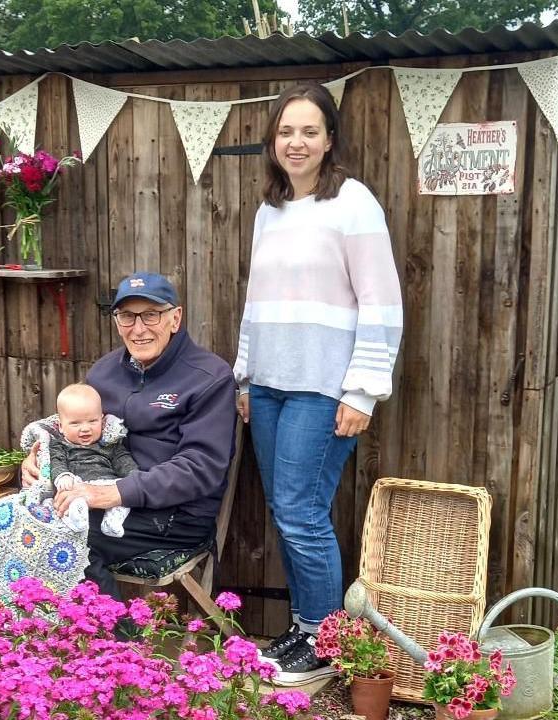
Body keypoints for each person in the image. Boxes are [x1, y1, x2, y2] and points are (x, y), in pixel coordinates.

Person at [234, 83, 403, 685]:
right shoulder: (270, 210)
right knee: (288, 511)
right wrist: (246, 377)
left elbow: (381, 300)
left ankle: (326, 639)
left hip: (323, 386)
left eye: (309, 131)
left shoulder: (353, 202)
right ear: (273, 142)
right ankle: (308, 627)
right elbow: (256, 302)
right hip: (272, 384)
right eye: (286, 132)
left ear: (330, 139)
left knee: (301, 512)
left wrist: (362, 392)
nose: (296, 142)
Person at [22, 271, 237, 601]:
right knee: (20, 515)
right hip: (99, 497)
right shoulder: (103, 372)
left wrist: (113, 493)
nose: (138, 329)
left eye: (151, 314)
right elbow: (72, 423)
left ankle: (116, 641)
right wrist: (37, 458)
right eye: (126, 316)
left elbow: (200, 468)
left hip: (174, 516)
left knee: (57, 533)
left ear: (175, 318)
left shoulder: (209, 377)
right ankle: (49, 635)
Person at [44, 383, 138, 537]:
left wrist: (133, 475)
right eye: (75, 423)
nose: (85, 428)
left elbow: (122, 459)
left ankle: (112, 522)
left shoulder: (110, 444)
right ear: (61, 426)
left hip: (108, 487)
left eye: (92, 421)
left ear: (102, 420)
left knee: (125, 497)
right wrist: (63, 475)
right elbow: (56, 461)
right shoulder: (59, 445)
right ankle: (77, 519)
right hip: (77, 485)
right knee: (69, 497)